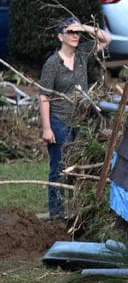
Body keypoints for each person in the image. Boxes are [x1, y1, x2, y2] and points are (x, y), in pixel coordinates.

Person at [37, 17, 111, 220]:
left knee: (78, 167)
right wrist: (47, 128)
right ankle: (57, 213)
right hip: (59, 121)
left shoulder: (81, 55)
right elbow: (44, 96)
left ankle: (75, 209)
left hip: (81, 122)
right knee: (59, 167)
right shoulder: (52, 64)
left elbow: (106, 39)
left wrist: (83, 26)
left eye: (76, 32)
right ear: (60, 36)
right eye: (70, 32)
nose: (75, 35)